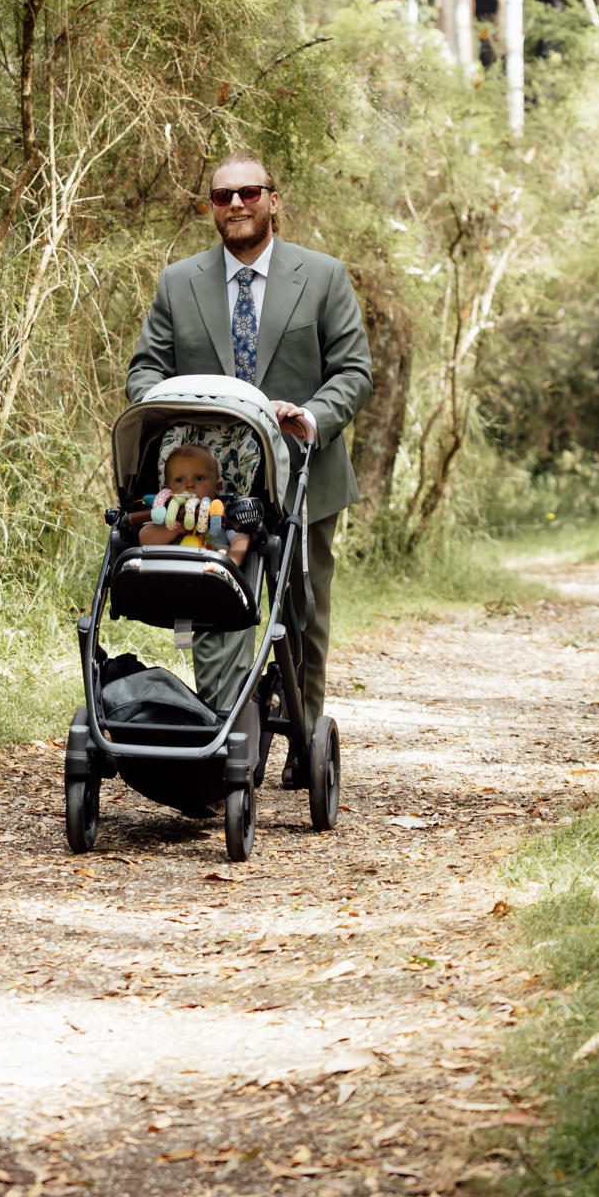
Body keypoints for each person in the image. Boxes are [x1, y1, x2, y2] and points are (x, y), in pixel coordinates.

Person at [127, 153, 372, 782]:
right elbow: (144, 370)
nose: (235, 205)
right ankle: (223, 732)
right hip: (205, 484)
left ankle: (302, 729)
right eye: (221, 196)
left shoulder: (322, 276)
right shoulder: (179, 283)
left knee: (302, 609)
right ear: (210, 207)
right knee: (212, 595)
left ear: (273, 200)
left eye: (248, 193)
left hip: (302, 475)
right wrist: (167, 413)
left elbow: (353, 370)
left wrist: (311, 417)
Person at [138, 442, 251, 564]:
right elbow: (144, 538)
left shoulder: (222, 515)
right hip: (168, 572)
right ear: (167, 490)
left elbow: (241, 538)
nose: (189, 485)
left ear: (217, 487)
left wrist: (231, 562)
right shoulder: (166, 516)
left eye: (199, 478)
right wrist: (177, 528)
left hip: (210, 573)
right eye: (179, 480)